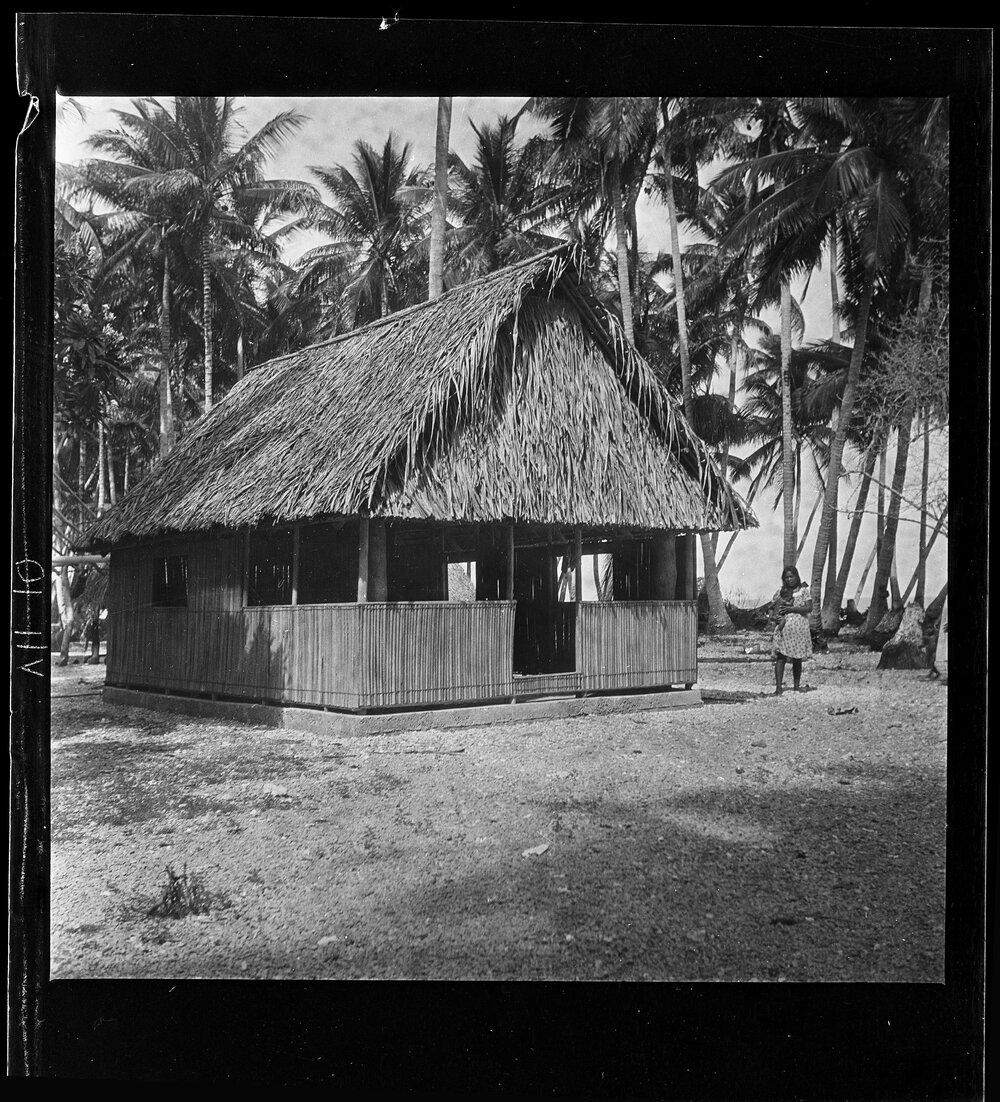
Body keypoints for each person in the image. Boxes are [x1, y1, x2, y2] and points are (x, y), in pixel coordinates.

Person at [768, 565, 813, 695]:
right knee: (781, 656)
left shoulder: (804, 591)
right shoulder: (780, 592)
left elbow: (809, 608)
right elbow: (772, 606)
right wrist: (773, 618)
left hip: (799, 627)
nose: (789, 579)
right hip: (784, 627)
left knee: (797, 658)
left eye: (791, 576)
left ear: (797, 577)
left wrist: (792, 609)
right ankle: (778, 688)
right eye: (786, 577)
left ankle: (796, 686)